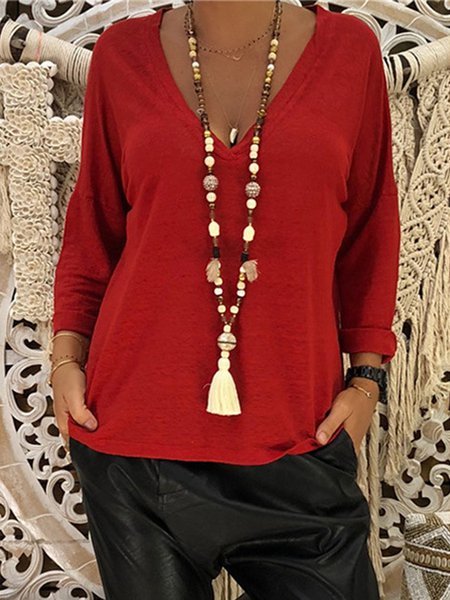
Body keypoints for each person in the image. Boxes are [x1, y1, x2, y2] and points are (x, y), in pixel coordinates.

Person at [49, 1, 401, 598]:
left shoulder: (350, 51)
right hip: (135, 449)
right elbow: (94, 230)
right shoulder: (120, 55)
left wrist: (367, 379)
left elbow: (371, 227)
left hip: (298, 444)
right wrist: (65, 360)